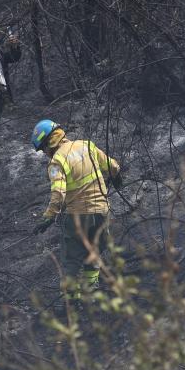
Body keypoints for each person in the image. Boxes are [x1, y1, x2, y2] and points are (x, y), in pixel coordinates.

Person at [31, 119, 123, 300]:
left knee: (71, 260)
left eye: (43, 148)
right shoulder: (86, 145)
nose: (45, 153)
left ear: (49, 141)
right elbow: (112, 166)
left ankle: (71, 302)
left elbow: (58, 193)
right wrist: (117, 176)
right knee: (94, 251)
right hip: (102, 211)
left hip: (78, 216)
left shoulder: (57, 162)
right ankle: (92, 291)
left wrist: (48, 217)